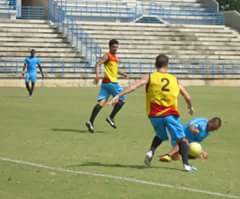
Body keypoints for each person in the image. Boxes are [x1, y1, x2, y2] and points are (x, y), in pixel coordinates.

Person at [109, 54, 197, 172]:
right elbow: (188, 96)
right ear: (167, 65)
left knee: (160, 135)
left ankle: (150, 152)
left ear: (155, 65)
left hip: (154, 115)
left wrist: (119, 95)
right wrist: (190, 107)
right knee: (182, 139)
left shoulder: (150, 77)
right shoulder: (174, 79)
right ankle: (186, 165)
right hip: (170, 114)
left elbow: (134, 86)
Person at [86, 39, 128, 133]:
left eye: (117, 47)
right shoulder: (107, 55)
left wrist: (122, 74)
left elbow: (114, 70)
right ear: (110, 47)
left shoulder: (115, 58)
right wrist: (97, 76)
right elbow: (97, 64)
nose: (115, 49)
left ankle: (90, 122)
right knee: (123, 98)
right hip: (111, 83)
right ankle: (110, 117)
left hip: (106, 84)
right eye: (114, 47)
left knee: (101, 102)